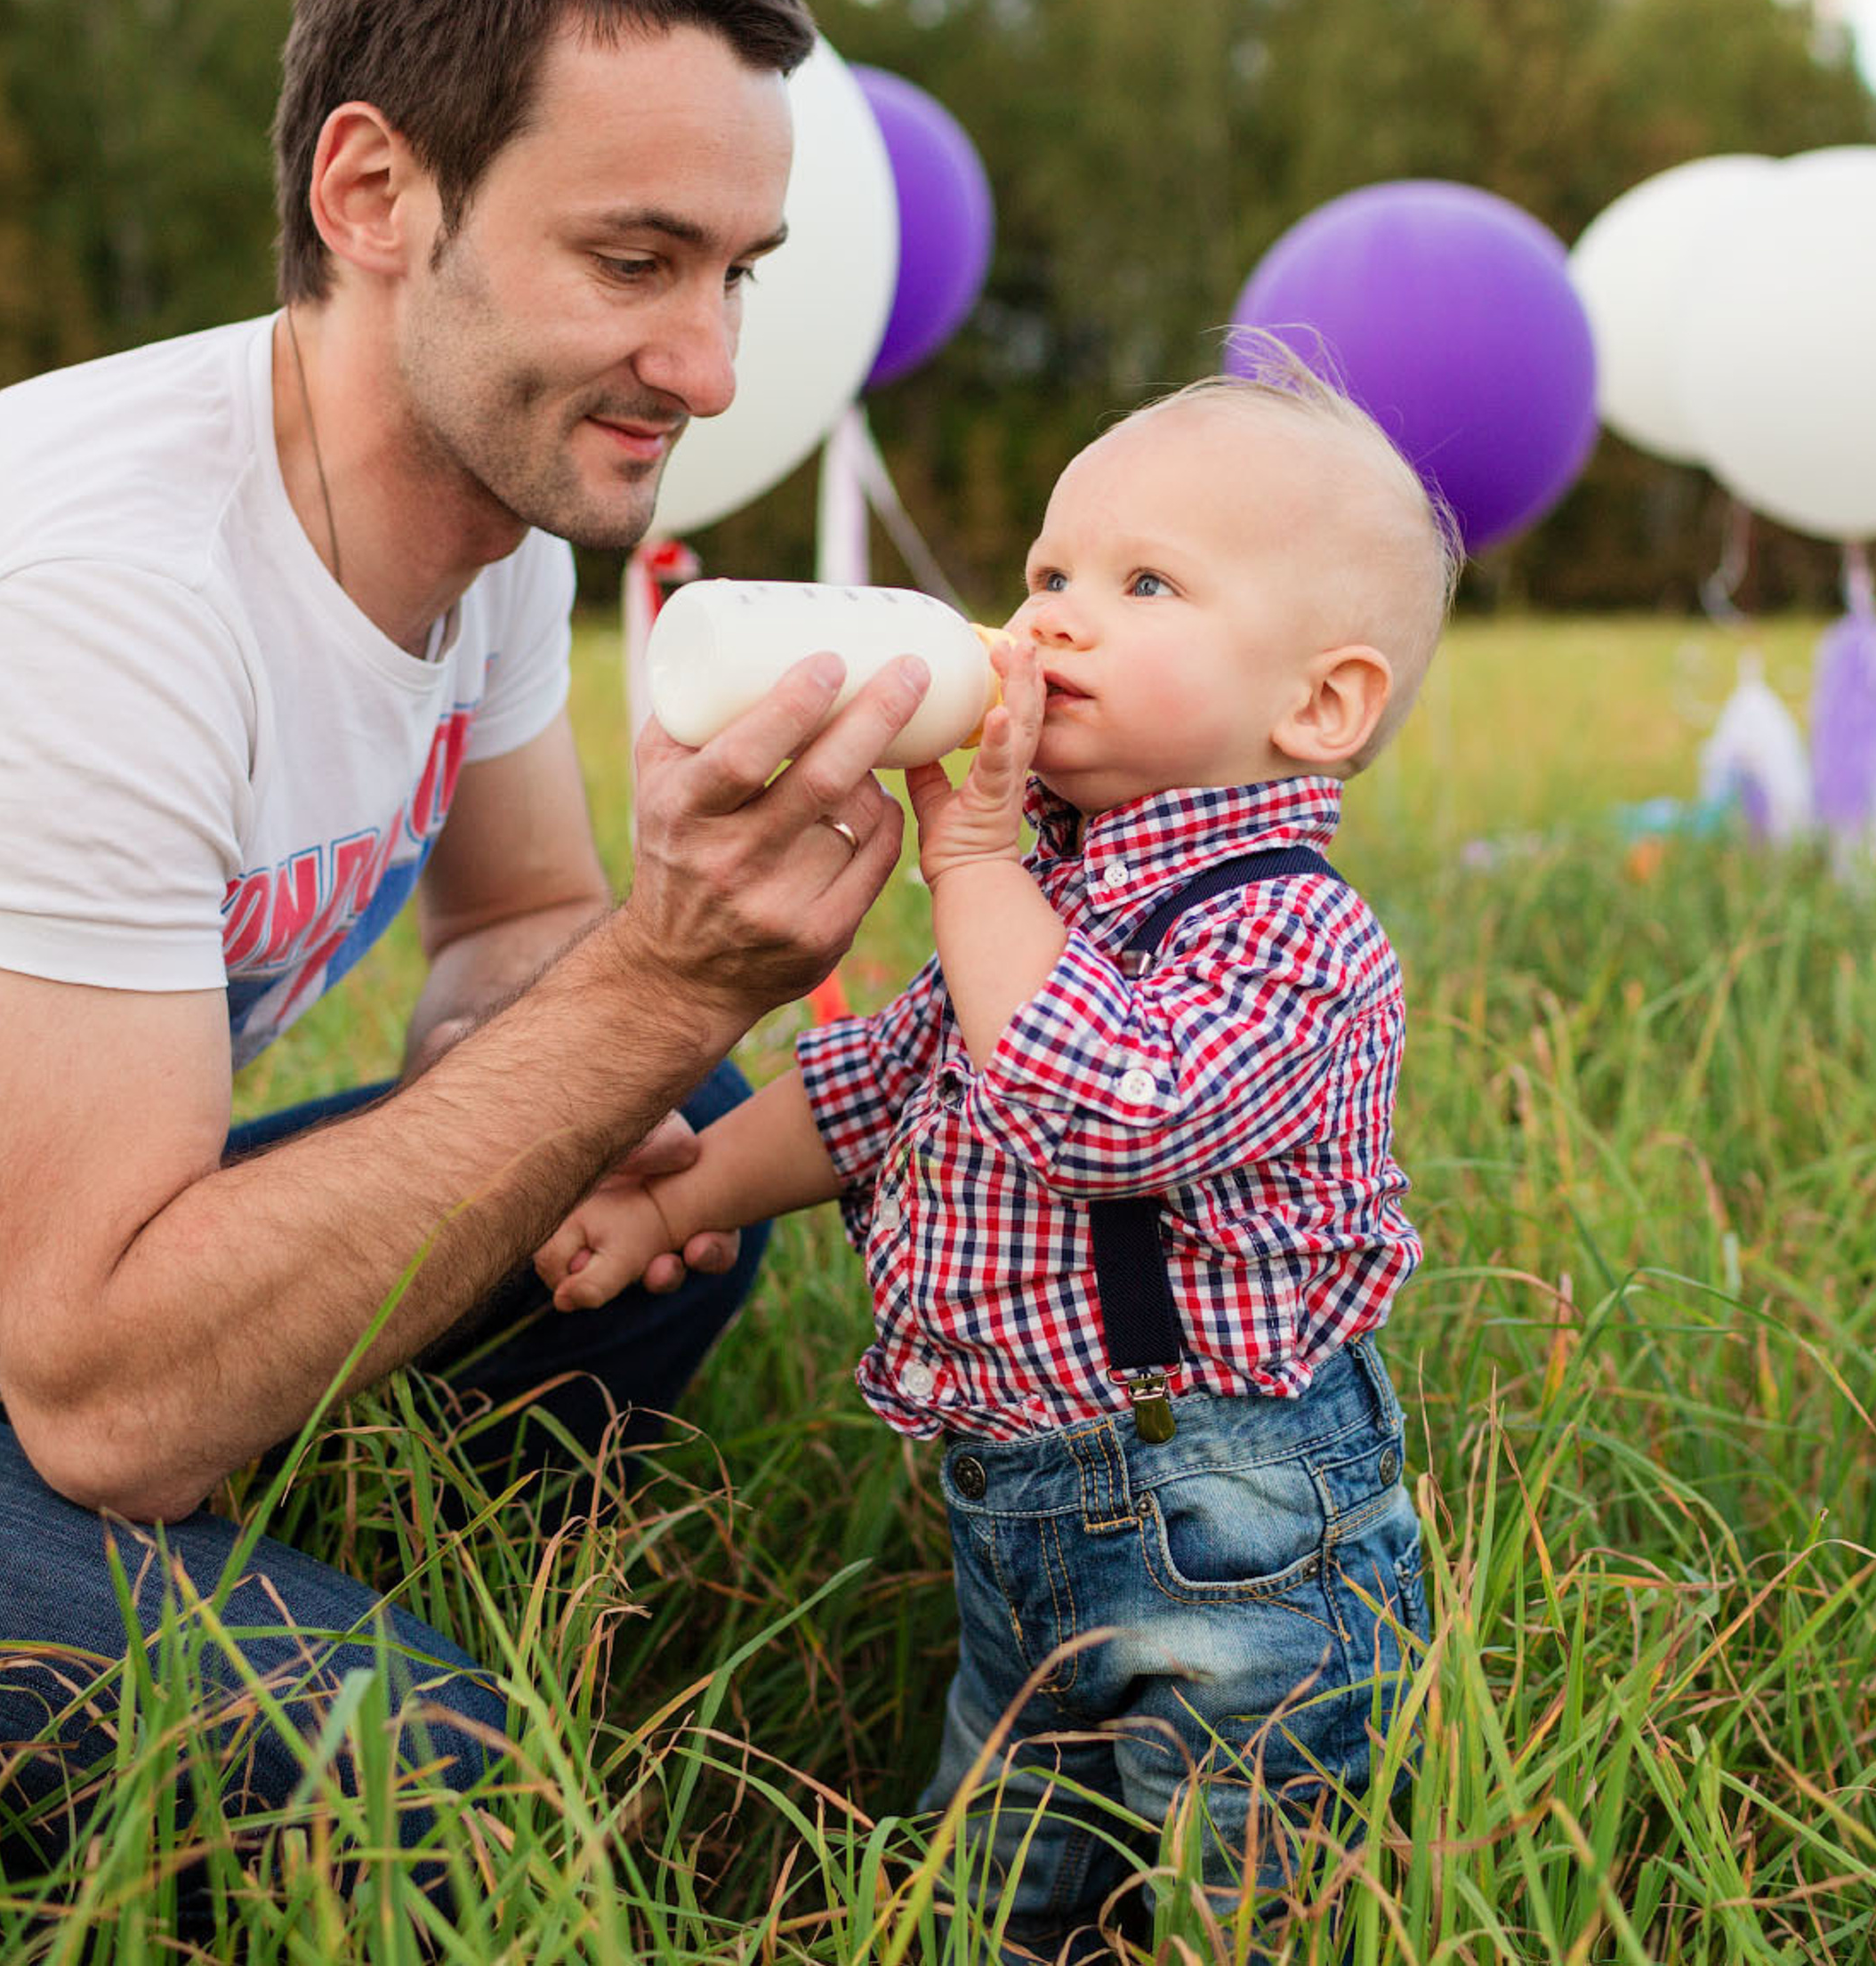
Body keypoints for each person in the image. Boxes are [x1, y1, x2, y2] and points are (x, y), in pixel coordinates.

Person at [0, 0, 930, 1871]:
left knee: (656, 1141)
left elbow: (514, 926)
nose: (713, 368)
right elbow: (103, 1395)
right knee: (432, 1780)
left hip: (12, 1279)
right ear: (376, 194)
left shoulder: (477, 503)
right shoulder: (96, 590)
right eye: (636, 262)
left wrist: (633, 1015)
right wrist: (657, 979)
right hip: (59, 1333)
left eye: (734, 274)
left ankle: (230, 1578)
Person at [537, 352, 1459, 1957]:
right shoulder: (1041, 901)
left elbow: (1108, 1114)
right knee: (993, 1875)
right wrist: (676, 1194)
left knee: (1252, 1897)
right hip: (1014, 1515)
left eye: (1144, 582)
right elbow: (870, 1092)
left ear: (1319, 702)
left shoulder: (1294, 938)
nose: (1049, 623)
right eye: (1046, 576)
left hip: (1233, 1529)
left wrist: (967, 857)